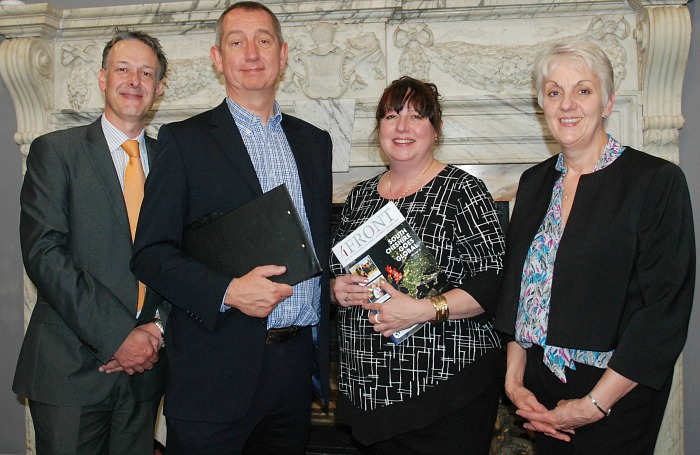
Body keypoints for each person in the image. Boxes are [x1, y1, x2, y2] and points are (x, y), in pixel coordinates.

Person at [130, 2, 333, 454]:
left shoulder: (315, 143)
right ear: (217, 58)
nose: (252, 53)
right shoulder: (184, 142)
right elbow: (151, 253)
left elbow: (319, 247)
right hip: (214, 373)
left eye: (263, 40)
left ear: (282, 54)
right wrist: (228, 291)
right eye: (236, 42)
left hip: (295, 370)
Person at [494, 40, 695, 455]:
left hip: (616, 398)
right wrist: (514, 384)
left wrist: (594, 405)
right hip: (540, 389)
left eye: (583, 90)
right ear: (542, 105)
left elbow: (664, 311)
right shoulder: (533, 185)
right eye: (554, 92)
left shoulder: (655, 181)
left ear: (608, 102)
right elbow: (516, 290)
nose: (567, 104)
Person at [330, 76, 506, 454]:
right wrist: (336, 290)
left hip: (445, 388)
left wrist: (423, 310)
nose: (402, 127)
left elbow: (493, 281)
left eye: (416, 116)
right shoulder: (359, 197)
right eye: (392, 116)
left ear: (436, 128)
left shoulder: (462, 190)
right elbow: (336, 271)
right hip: (370, 389)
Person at [14, 30, 169, 454]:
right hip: (69, 371)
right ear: (103, 78)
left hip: (145, 372)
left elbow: (187, 259)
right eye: (122, 69)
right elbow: (44, 254)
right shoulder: (56, 152)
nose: (133, 81)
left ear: (159, 88)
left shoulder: (174, 162)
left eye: (145, 72)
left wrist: (155, 330)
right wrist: (121, 336)